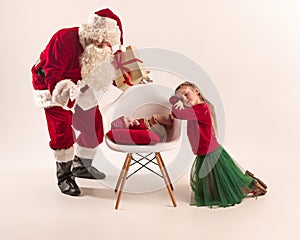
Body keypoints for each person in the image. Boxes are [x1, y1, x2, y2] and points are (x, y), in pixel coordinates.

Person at [31, 8, 124, 196]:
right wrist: (63, 91)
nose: (101, 43)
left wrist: (131, 79)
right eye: (99, 37)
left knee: (94, 124)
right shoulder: (64, 38)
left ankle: (81, 165)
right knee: (62, 130)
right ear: (91, 32)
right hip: (51, 86)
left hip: (81, 83)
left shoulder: (103, 50)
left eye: (106, 41)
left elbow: (107, 74)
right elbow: (52, 71)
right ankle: (64, 177)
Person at [169, 81, 267, 208]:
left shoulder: (201, 109)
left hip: (209, 151)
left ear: (196, 91)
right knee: (213, 178)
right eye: (181, 99)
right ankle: (231, 188)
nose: (184, 100)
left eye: (186, 95)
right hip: (204, 150)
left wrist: (173, 101)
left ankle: (251, 185)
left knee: (221, 177)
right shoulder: (195, 110)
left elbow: (178, 114)